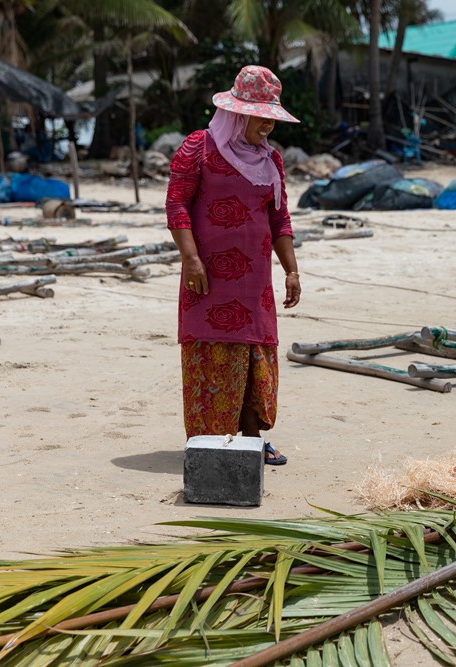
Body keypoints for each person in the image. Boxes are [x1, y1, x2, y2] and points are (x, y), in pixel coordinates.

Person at [166, 65, 301, 465]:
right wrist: (190, 259)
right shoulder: (198, 148)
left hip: (255, 283)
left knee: (255, 353)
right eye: (263, 119)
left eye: (272, 121)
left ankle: (253, 437)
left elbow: (280, 219)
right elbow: (177, 205)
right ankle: (210, 442)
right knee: (211, 353)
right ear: (240, 114)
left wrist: (291, 269)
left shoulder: (271, 161)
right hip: (207, 277)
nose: (268, 129)